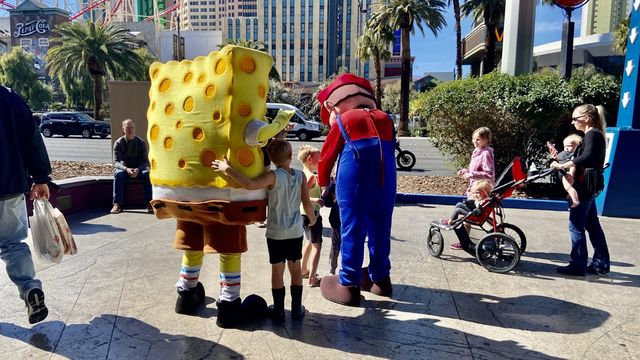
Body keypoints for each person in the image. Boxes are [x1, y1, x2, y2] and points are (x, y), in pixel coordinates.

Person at [212, 139, 317, 322]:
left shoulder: (273, 176)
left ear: (271, 158)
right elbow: (307, 205)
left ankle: (278, 311)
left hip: (276, 232)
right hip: (295, 231)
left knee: (277, 270)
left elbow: (249, 184)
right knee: (295, 268)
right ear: (291, 156)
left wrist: (226, 168)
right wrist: (313, 220)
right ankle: (296, 310)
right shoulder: (300, 176)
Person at [317, 73, 396, 307]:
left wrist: (324, 184)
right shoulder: (386, 118)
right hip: (386, 183)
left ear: (334, 106)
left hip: (355, 185)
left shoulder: (345, 119)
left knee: (353, 228)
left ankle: (348, 284)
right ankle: (380, 279)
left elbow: (326, 157)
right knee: (381, 227)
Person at [0, 86, 50, 324]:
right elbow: (32, 137)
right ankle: (30, 289)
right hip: (8, 187)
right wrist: (41, 178)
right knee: (12, 245)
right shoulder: (11, 99)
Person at [551, 104, 610, 276]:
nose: (573, 122)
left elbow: (587, 157)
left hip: (584, 187)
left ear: (587, 118)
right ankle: (601, 263)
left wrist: (564, 164)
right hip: (589, 186)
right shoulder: (594, 135)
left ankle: (578, 264)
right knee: (592, 225)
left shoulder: (593, 135)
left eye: (576, 118)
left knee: (575, 225)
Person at [451, 127, 495, 250]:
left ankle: (464, 242)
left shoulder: (486, 153)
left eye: (478, 139)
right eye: (474, 139)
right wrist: (466, 171)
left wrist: (471, 174)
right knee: (467, 216)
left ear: (486, 140)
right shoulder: (477, 151)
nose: (475, 142)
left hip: (480, 190)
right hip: (474, 188)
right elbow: (474, 170)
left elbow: (488, 173)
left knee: (465, 216)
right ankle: (465, 241)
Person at [111, 119, 153, 214]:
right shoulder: (118, 143)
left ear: (134, 128)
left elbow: (146, 162)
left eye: (132, 127)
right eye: (127, 128)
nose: (130, 130)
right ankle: (117, 204)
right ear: (123, 129)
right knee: (118, 174)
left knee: (147, 174)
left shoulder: (141, 143)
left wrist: (138, 169)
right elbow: (116, 162)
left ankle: (149, 203)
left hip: (139, 169)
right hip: (125, 169)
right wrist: (126, 169)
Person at [298, 145, 324, 287]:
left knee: (308, 241)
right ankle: (312, 278)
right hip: (311, 214)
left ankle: (303, 270)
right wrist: (317, 200)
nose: (320, 160)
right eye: (318, 158)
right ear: (309, 159)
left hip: (304, 214)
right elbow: (302, 196)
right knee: (317, 246)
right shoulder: (310, 177)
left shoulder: (304, 173)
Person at [547, 134, 583, 208]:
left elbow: (573, 165)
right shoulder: (565, 154)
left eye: (569, 146)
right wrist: (554, 159)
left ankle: (575, 200)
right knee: (569, 188)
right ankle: (570, 197)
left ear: (576, 147)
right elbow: (559, 160)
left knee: (568, 187)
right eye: (565, 146)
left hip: (568, 174)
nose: (566, 148)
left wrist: (570, 174)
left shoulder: (574, 156)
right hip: (564, 173)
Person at [322, 179, 342, 275]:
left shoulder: (335, 184)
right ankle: (333, 269)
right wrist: (325, 195)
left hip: (344, 220)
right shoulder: (333, 185)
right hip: (338, 221)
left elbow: (327, 203)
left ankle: (334, 269)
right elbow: (328, 203)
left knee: (338, 245)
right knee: (336, 245)